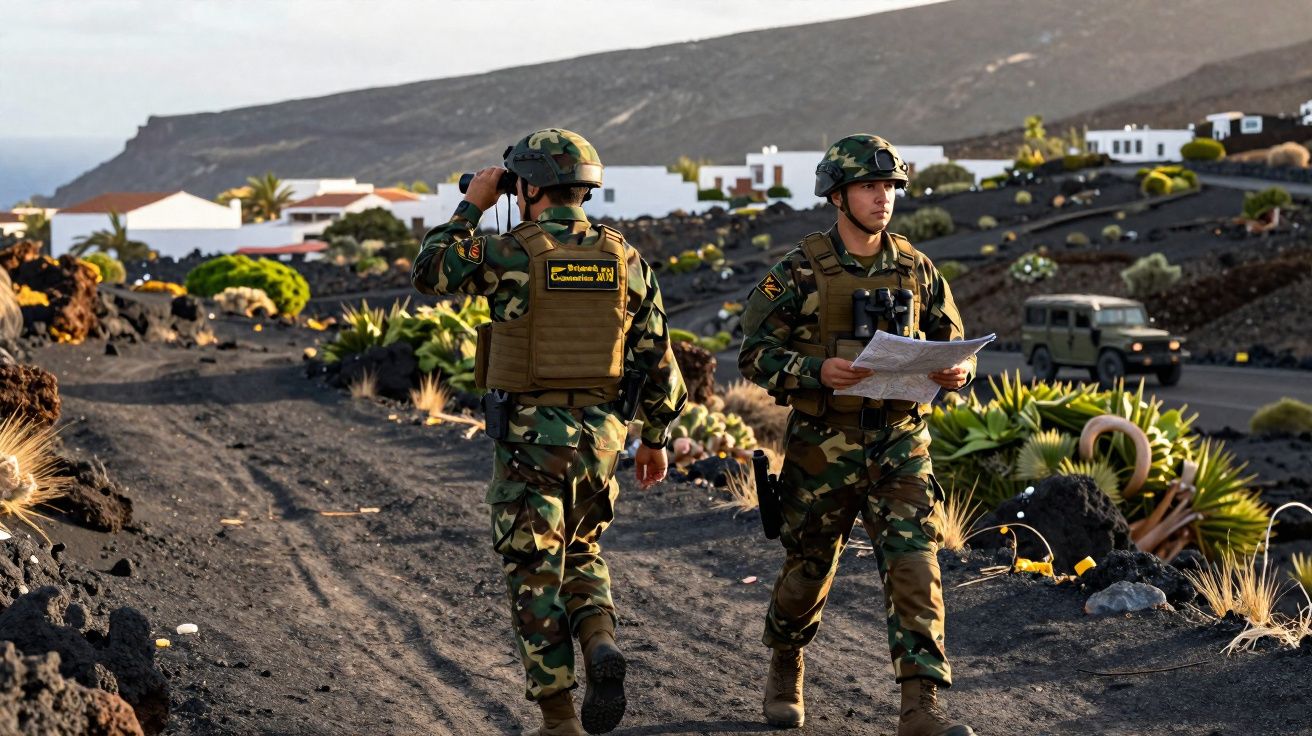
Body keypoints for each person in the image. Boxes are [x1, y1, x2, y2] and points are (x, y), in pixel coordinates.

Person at [411, 128, 687, 736]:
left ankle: (559, 719)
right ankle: (599, 640)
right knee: (582, 549)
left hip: (531, 441)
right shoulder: (624, 259)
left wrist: (473, 204)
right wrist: (656, 439)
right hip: (601, 442)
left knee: (534, 568)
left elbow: (429, 271)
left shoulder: (508, 253)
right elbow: (660, 362)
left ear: (529, 187)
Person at [737, 134, 976, 735]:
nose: (883, 198)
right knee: (808, 570)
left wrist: (957, 371)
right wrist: (815, 370)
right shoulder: (799, 269)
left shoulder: (916, 268)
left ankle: (921, 706)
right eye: (869, 187)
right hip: (824, 444)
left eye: (890, 187)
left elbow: (955, 342)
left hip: (901, 442)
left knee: (915, 567)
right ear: (838, 196)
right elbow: (753, 354)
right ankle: (786, 659)